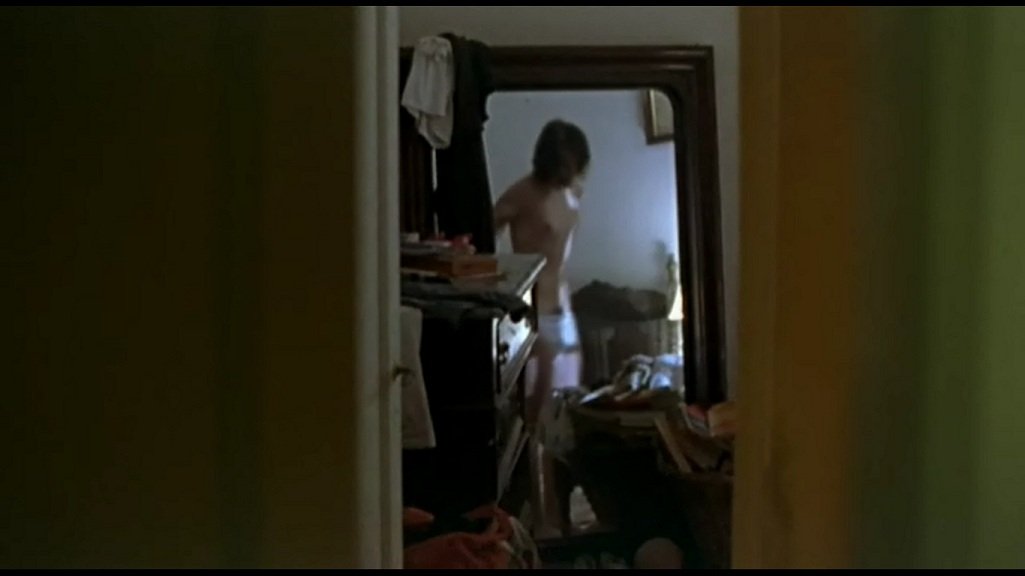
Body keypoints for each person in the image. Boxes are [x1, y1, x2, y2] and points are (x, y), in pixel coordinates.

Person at [494, 119, 590, 537]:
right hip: (534, 312)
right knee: (536, 414)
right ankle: (537, 513)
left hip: (562, 309)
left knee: (567, 411)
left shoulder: (571, 192)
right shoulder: (522, 194)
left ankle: (561, 511)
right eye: (564, 161)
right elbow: (480, 233)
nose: (571, 169)